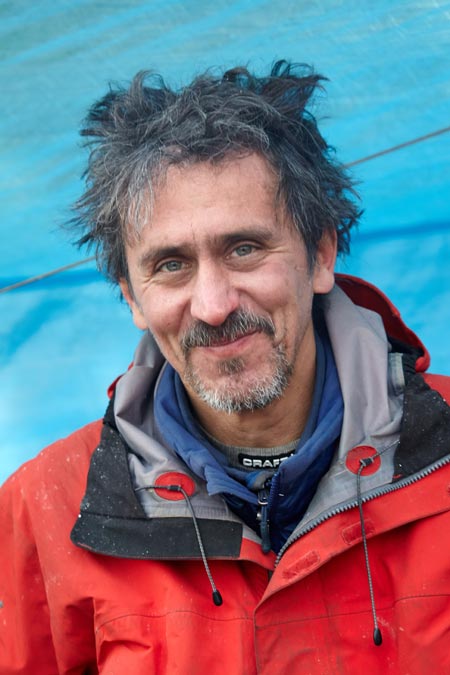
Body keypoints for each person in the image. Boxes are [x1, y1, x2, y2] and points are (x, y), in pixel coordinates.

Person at [1, 61, 449, 675]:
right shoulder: (44, 508)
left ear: (321, 254)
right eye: (170, 265)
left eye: (244, 248)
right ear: (132, 297)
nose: (213, 306)